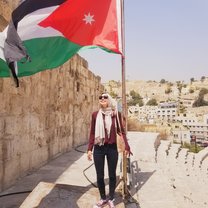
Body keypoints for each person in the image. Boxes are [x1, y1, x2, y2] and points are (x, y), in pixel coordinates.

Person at [87, 93, 132, 208]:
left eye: (105, 97)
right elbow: (92, 133)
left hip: (112, 148)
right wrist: (89, 149)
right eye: (100, 97)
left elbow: (122, 132)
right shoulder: (95, 115)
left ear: (109, 100)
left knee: (112, 175)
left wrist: (127, 146)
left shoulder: (115, 115)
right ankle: (103, 198)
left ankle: (111, 198)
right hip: (99, 148)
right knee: (100, 175)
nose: (102, 99)